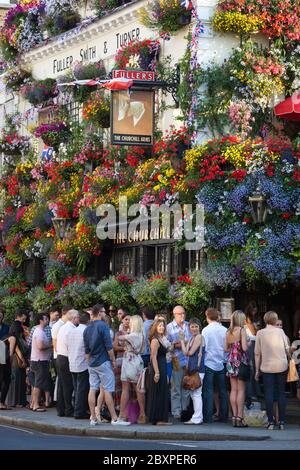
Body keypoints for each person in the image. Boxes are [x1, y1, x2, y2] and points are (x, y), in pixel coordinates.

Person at [83, 304, 118, 426]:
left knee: (93, 389)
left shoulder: (87, 328)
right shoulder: (103, 326)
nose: (105, 314)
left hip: (92, 363)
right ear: (99, 313)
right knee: (108, 390)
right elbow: (109, 346)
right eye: (103, 312)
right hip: (103, 361)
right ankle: (114, 418)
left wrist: (89, 362)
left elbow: (86, 350)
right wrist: (113, 360)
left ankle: (93, 418)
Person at [255, 311, 290, 430]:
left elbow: (257, 354)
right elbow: (287, 349)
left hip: (267, 366)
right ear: (275, 320)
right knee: (281, 393)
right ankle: (282, 422)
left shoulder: (260, 333)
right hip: (281, 365)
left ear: (265, 320)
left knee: (268, 394)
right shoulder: (280, 332)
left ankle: (270, 422)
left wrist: (256, 370)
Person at [117, 315, 146, 425]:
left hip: (129, 361)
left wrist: (124, 331)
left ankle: (122, 415)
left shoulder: (132, 335)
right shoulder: (142, 335)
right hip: (138, 360)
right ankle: (142, 414)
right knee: (138, 388)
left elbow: (120, 338)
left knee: (126, 388)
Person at [202, 308, 228, 423]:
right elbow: (226, 348)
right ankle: (224, 416)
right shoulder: (225, 330)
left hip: (209, 362)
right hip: (222, 362)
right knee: (223, 391)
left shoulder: (205, 330)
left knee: (208, 391)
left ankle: (208, 417)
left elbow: (204, 347)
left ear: (207, 317)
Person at [225, 311, 250, 427]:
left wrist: (233, 345)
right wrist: (248, 343)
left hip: (230, 361)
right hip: (240, 360)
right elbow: (244, 348)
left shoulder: (228, 331)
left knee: (233, 389)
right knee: (241, 390)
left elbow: (225, 348)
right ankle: (240, 416)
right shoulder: (242, 330)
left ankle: (234, 416)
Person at [167, 305, 192, 420]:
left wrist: (182, 343)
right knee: (176, 388)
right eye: (180, 314)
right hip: (176, 361)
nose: (182, 315)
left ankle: (185, 411)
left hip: (188, 362)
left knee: (186, 388)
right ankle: (176, 411)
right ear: (174, 315)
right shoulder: (169, 328)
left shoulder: (189, 326)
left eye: (184, 313)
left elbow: (193, 341)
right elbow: (167, 346)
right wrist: (177, 345)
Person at [180, 318, 206, 425]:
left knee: (196, 394)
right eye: (192, 326)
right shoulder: (191, 339)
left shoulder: (199, 337)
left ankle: (197, 418)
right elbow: (185, 352)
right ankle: (197, 416)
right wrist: (182, 340)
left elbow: (189, 353)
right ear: (189, 328)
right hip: (192, 369)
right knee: (193, 394)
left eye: (196, 326)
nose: (194, 328)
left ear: (199, 327)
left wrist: (183, 341)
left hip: (198, 369)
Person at [147, 318, 172, 425]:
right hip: (158, 367)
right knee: (158, 392)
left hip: (163, 366)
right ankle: (158, 419)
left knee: (162, 391)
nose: (162, 327)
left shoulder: (161, 339)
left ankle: (159, 418)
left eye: (163, 326)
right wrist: (157, 372)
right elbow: (153, 357)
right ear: (155, 328)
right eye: (159, 326)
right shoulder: (155, 340)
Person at [66, 311, 90, 419]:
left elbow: (68, 346)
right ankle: (79, 412)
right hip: (82, 364)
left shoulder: (71, 331)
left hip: (72, 362)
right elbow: (88, 348)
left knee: (76, 388)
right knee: (82, 389)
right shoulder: (86, 331)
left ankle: (77, 409)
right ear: (88, 320)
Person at [56, 309, 80, 417]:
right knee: (68, 385)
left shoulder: (63, 327)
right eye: (78, 317)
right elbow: (71, 347)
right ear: (74, 318)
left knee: (62, 385)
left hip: (60, 357)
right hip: (66, 358)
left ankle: (61, 409)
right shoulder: (72, 329)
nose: (79, 319)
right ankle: (68, 409)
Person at [30, 313, 52, 412]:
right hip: (40, 361)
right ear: (40, 320)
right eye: (46, 319)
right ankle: (35, 404)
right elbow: (40, 346)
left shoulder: (39, 331)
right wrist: (51, 345)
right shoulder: (39, 332)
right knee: (38, 384)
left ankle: (34, 404)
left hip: (37, 360)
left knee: (37, 384)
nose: (47, 320)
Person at [6, 311, 29, 408]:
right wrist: (21, 358)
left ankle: (16, 401)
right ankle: (17, 401)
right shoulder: (17, 326)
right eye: (24, 317)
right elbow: (16, 345)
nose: (25, 319)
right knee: (17, 378)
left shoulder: (14, 325)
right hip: (17, 356)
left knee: (17, 378)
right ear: (19, 316)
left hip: (15, 355)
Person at [113, 311, 131, 411]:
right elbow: (115, 346)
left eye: (129, 319)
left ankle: (128, 408)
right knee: (119, 384)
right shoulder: (118, 333)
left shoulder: (133, 333)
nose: (128, 321)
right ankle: (118, 406)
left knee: (130, 384)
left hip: (130, 360)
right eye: (126, 319)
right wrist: (124, 348)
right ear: (122, 321)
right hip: (120, 360)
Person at [0, 334, 16, 410]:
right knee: (6, 381)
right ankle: (1, 403)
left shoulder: (5, 337)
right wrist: (11, 363)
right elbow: (11, 353)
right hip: (4, 361)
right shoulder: (13, 338)